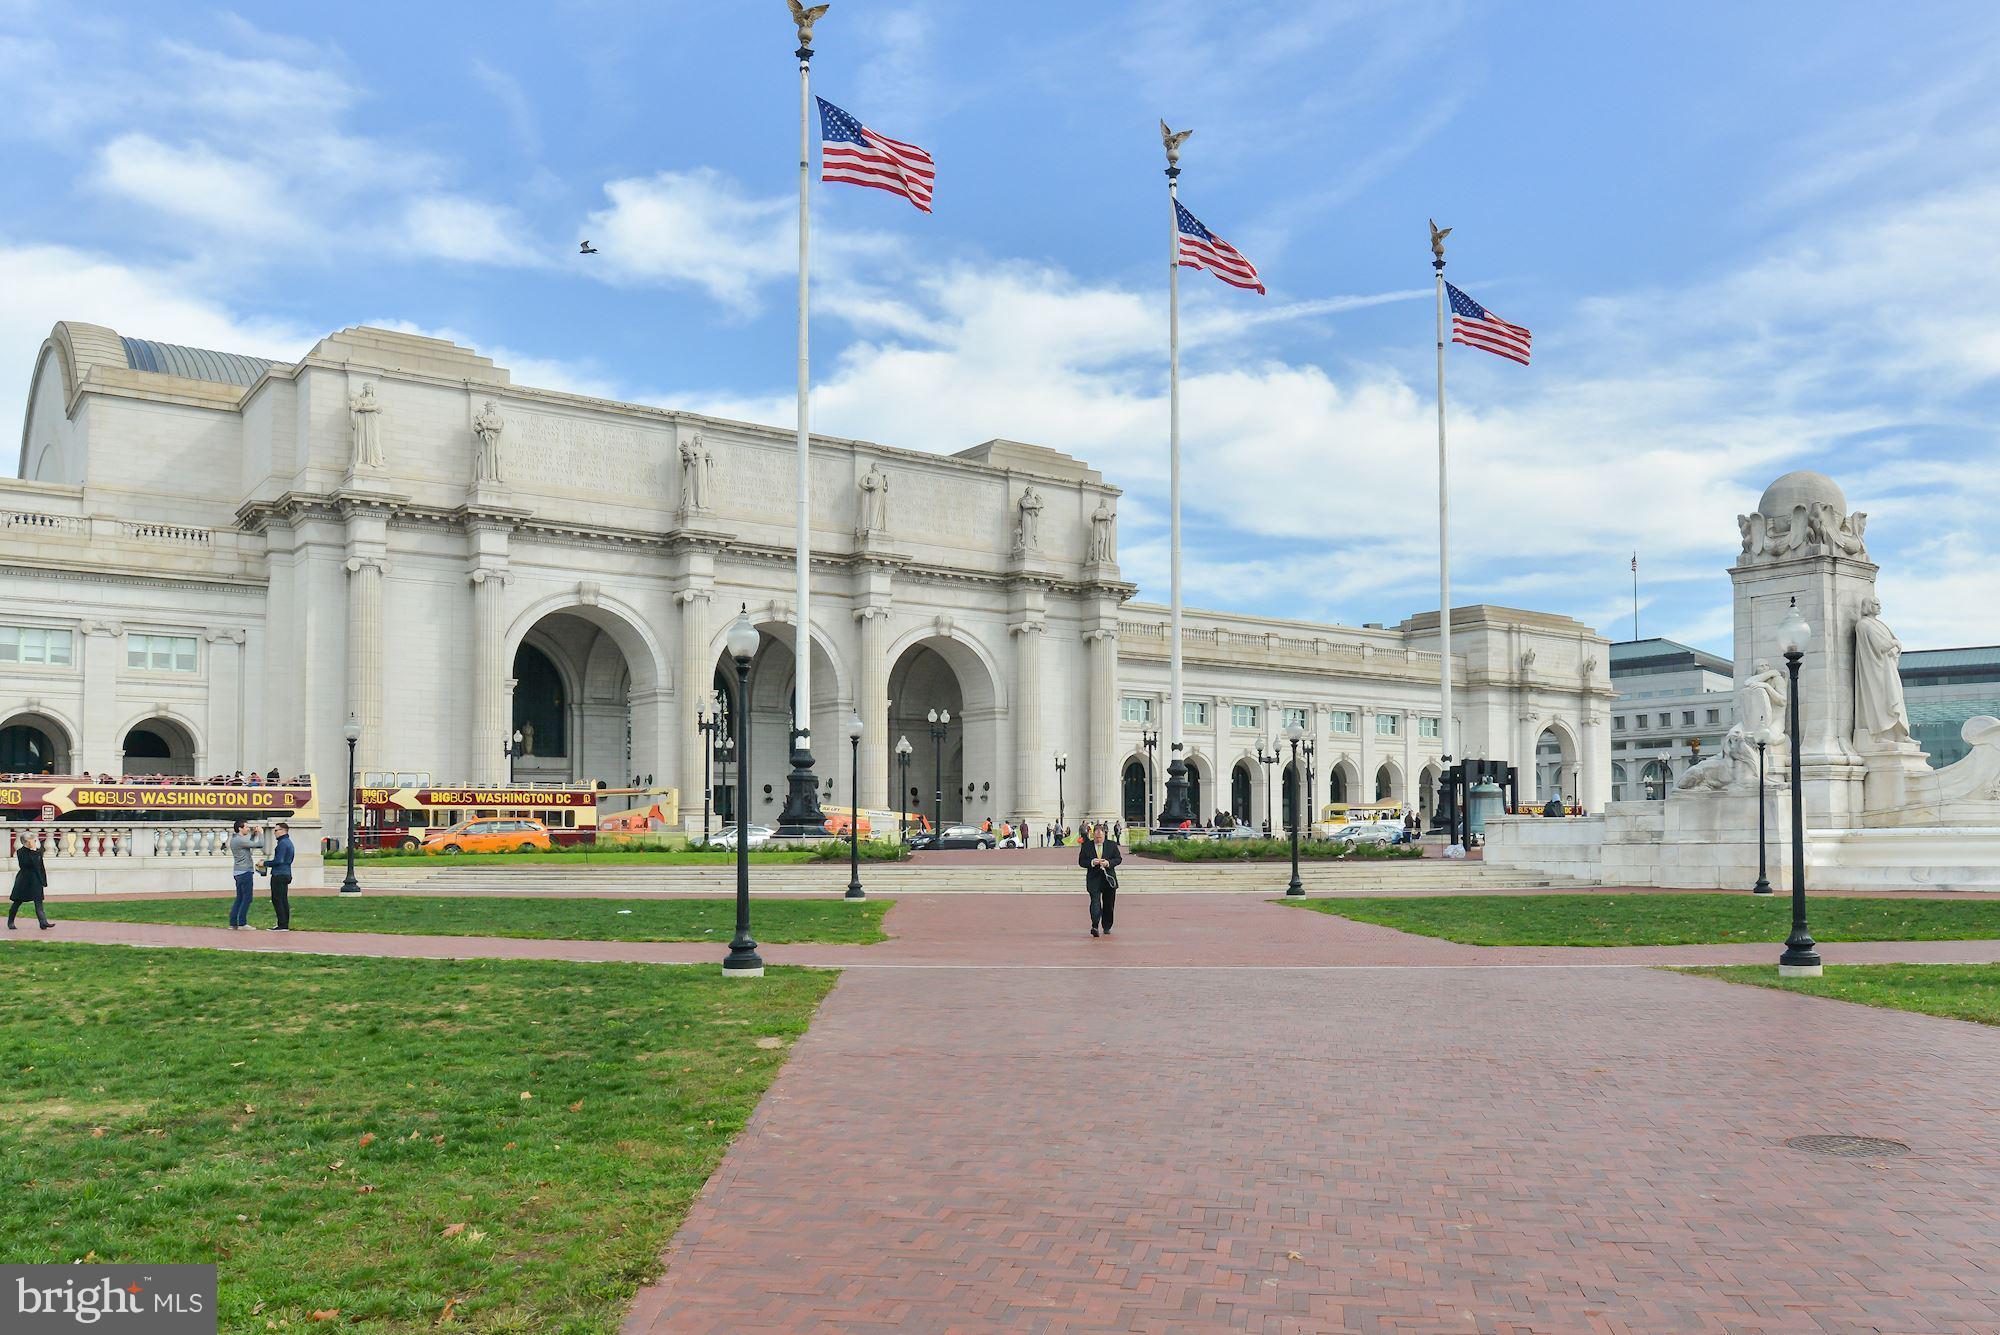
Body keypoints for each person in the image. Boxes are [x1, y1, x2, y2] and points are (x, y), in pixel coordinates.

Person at [1078, 820, 1122, 938]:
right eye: (1096, 837)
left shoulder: (1112, 845)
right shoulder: (1087, 846)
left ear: (1104, 835)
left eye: (1100, 837)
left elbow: (1118, 859)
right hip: (1094, 879)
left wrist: (1108, 863)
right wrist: (1092, 862)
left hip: (1108, 879)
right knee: (1095, 902)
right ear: (1093, 835)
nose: (1098, 839)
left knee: (1108, 904)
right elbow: (1081, 862)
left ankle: (1107, 926)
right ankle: (1095, 926)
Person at [8, 830, 51, 930]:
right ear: (25, 842)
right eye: (31, 841)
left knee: (38, 901)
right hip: (24, 880)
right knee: (17, 902)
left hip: (36, 879)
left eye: (34, 840)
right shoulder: (20, 852)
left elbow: (38, 865)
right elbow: (26, 865)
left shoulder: (38, 851)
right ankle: (10, 921)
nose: (33, 842)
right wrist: (32, 851)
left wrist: (43, 880)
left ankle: (43, 922)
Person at [261, 820, 295, 931]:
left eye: (276, 830)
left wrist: (264, 863)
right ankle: (284, 924)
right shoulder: (288, 842)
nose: (274, 833)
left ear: (283, 831)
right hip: (286, 873)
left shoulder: (283, 843)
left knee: (277, 899)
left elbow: (278, 860)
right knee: (283, 899)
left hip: (279, 874)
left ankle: (282, 924)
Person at [228, 819, 260, 930]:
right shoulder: (239, 840)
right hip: (245, 872)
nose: (248, 829)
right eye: (246, 827)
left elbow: (248, 844)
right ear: (240, 828)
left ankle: (233, 923)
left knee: (240, 898)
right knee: (247, 898)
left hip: (238, 872)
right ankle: (242, 923)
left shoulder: (236, 840)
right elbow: (259, 845)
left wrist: (253, 834)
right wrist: (260, 833)